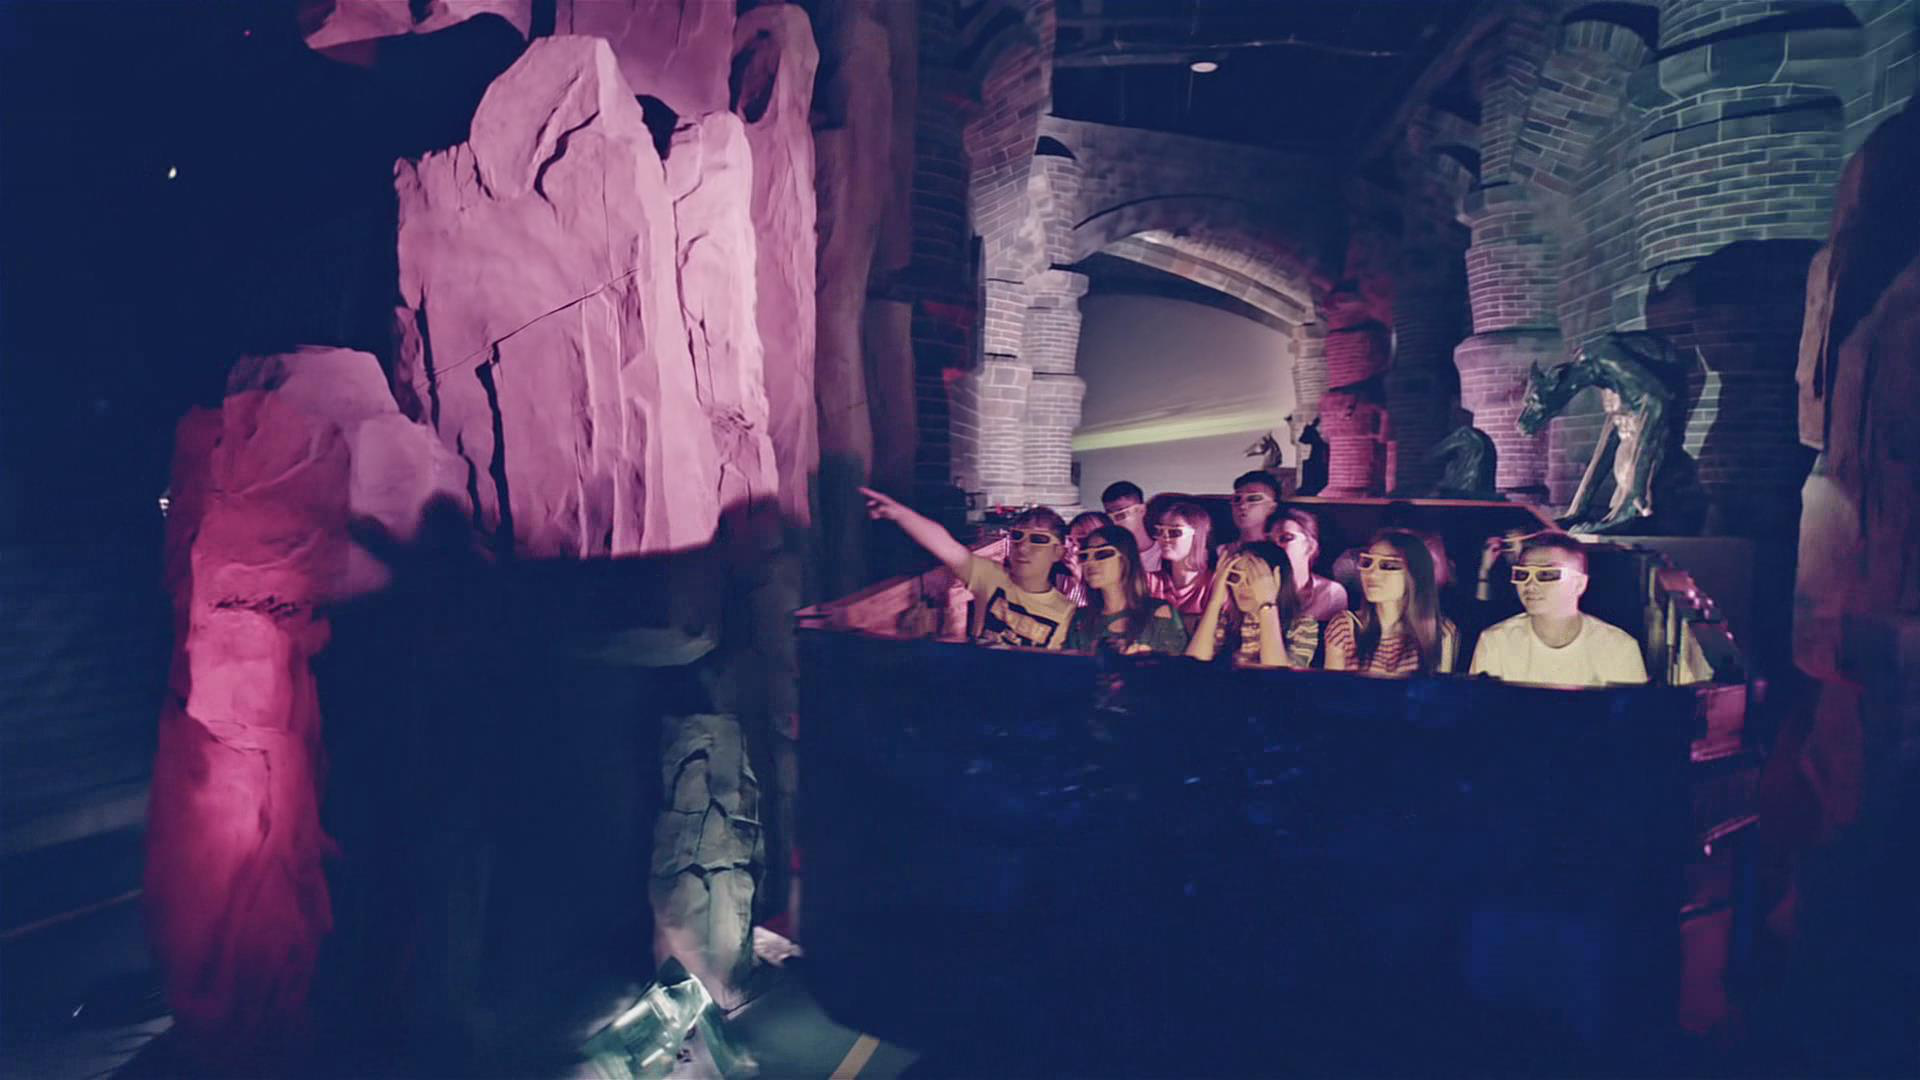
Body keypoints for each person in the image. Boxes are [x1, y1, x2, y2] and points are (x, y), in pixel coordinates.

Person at [861, 487, 1075, 650]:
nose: (1023, 547)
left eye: (1038, 539)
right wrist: (900, 514)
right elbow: (945, 545)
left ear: (1058, 552)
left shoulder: (1067, 614)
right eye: (1018, 536)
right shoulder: (991, 576)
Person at [1468, 532, 1649, 686]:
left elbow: (1630, 715)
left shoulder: (1618, 648)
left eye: (1546, 574)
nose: (1531, 585)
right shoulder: (1496, 643)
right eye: (1523, 574)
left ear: (1579, 584)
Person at [1324, 529, 1458, 676]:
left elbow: (1440, 689)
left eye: (1388, 566)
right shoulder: (1345, 628)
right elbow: (1333, 688)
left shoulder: (1441, 632)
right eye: (1367, 562)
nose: (1372, 573)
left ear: (1414, 575)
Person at [1186, 541, 1318, 667]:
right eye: (1236, 577)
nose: (1243, 586)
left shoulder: (1302, 626)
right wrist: (1215, 601)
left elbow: (1279, 676)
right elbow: (1192, 667)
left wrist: (1267, 605)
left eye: (1253, 578)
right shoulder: (1223, 622)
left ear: (1277, 579)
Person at [1063, 526, 1189, 655]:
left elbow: (1176, 665)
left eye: (1102, 554)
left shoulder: (1158, 613)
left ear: (1126, 558)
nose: (1090, 562)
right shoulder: (1080, 620)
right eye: (1084, 556)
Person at [1268, 507, 1348, 621]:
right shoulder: (1261, 588)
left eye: (1286, 538)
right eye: (1271, 542)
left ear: (1310, 546)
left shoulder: (1330, 593)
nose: (1276, 547)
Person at [1147, 500, 1213, 623]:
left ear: (1197, 536)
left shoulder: (1215, 585)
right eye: (1160, 531)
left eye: (1175, 532)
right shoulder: (1149, 582)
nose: (1164, 538)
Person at [1053, 511, 1113, 607]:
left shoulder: (1112, 578)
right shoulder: (1058, 572)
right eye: (1070, 540)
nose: (1074, 548)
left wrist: (1081, 580)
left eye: (1081, 540)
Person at [1100, 481, 1160, 573]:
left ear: (1142, 510)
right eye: (1109, 516)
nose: (1114, 522)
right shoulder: (1110, 555)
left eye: (1121, 514)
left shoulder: (1166, 551)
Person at [1223, 470, 1283, 556]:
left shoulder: (1283, 550)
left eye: (1254, 499)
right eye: (1237, 499)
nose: (1242, 506)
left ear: (1272, 507)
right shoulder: (1219, 553)